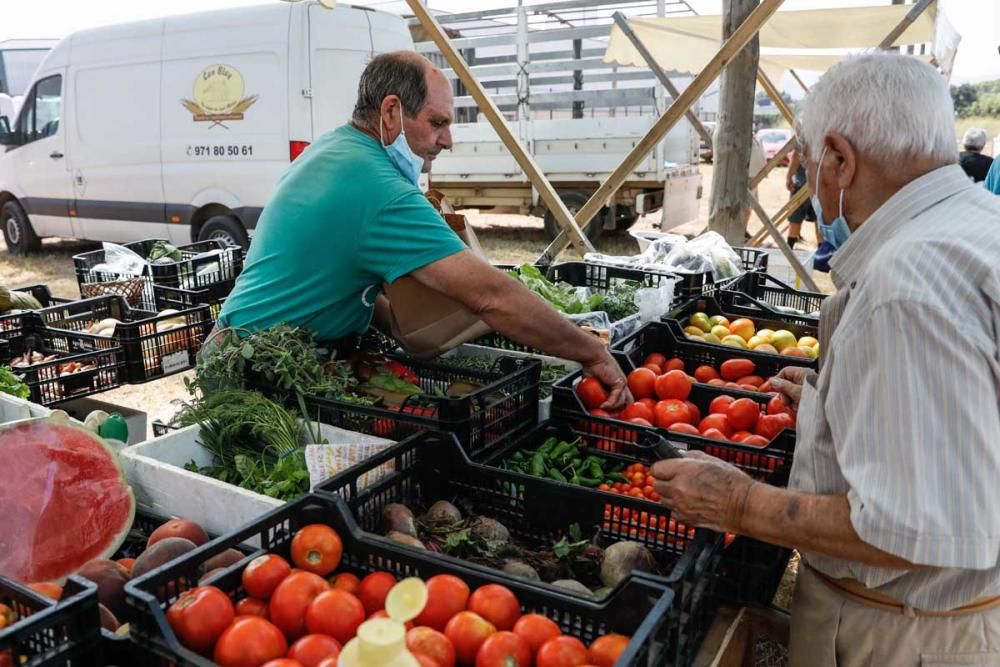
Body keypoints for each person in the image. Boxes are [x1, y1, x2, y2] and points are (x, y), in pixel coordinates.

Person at [651, 53, 1000, 665]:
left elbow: (912, 526)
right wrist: (836, 397)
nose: (809, 177)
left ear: (840, 158)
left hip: (904, 636)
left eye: (808, 160)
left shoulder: (904, 290)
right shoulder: (978, 225)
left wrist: (741, 504)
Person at [215, 51, 630, 408]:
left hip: (253, 351)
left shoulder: (335, 150)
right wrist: (591, 352)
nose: (447, 140)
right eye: (437, 123)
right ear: (392, 112)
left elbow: (334, 277)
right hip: (256, 372)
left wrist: (405, 326)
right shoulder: (378, 189)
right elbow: (490, 295)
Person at [784, 149, 816, 249]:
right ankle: (822, 254)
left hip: (802, 184)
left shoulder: (804, 135)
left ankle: (790, 248)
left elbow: (796, 155)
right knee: (820, 221)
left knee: (795, 219)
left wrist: (789, 177)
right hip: (819, 185)